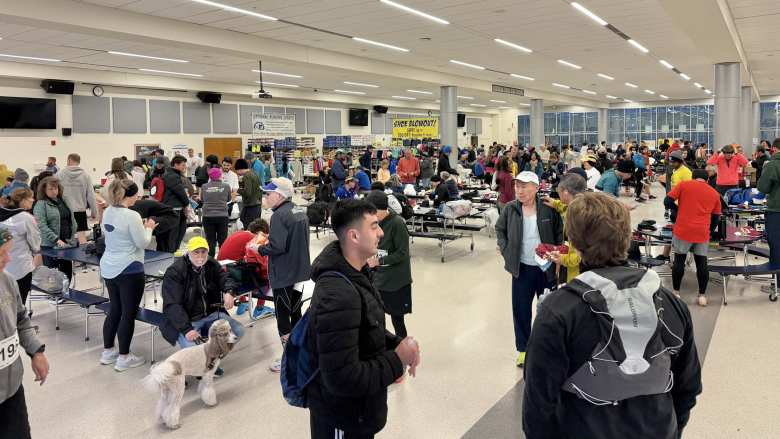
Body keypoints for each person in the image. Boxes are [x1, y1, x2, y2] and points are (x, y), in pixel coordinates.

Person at [522, 192, 702, 439]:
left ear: (573, 239)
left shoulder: (558, 310)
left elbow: (538, 404)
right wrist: (673, 428)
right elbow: (688, 386)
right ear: (626, 236)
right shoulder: (669, 302)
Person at [306, 199, 420, 439]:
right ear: (354, 236)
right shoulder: (337, 295)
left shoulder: (357, 273)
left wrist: (397, 343)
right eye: (374, 226)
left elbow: (367, 327)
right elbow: (342, 378)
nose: (380, 232)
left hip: (359, 412)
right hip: (341, 417)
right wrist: (396, 360)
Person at [495, 171, 563, 367]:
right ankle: (523, 349)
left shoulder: (549, 210)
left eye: (524, 186)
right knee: (521, 310)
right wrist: (506, 248)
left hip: (546, 268)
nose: (519, 190)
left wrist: (559, 257)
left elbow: (560, 233)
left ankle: (545, 347)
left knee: (548, 311)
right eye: (517, 186)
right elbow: (500, 229)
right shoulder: (510, 209)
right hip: (521, 268)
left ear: (536, 188)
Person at [99, 180, 156, 371]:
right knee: (128, 314)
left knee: (115, 309)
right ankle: (124, 357)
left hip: (108, 266)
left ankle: (108, 352)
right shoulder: (132, 215)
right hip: (129, 269)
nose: (138, 198)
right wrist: (148, 227)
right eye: (137, 195)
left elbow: (108, 235)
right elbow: (142, 243)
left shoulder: (107, 211)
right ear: (129, 195)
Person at [162, 237, 244, 366]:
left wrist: (229, 292)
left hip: (211, 314)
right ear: (188, 252)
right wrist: (187, 329)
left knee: (238, 330)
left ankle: (211, 361)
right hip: (188, 320)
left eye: (203, 252)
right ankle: (203, 364)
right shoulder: (175, 271)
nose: (200, 256)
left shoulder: (211, 264)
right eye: (196, 252)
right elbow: (172, 305)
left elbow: (225, 278)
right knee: (194, 352)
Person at [0, 226, 49, 439]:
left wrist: (35, 351)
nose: (8, 259)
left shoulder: (7, 281)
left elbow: (21, 319)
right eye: (1, 253)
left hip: (12, 389)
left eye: (8, 251)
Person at [257, 177, 311, 372]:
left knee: (283, 316)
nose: (266, 197)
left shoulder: (279, 215)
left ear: (279, 195)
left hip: (283, 274)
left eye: (268, 194)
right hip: (300, 271)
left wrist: (259, 248)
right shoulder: (299, 210)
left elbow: (277, 246)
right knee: (296, 312)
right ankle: (299, 353)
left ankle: (288, 359)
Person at [665, 169, 722, 307]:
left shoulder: (684, 185)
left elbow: (667, 201)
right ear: (707, 180)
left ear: (693, 177)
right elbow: (716, 217)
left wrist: (678, 210)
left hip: (683, 229)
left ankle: (676, 292)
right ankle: (702, 296)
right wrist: (709, 230)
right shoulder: (714, 193)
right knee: (702, 263)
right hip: (702, 231)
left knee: (679, 260)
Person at [366, 191, 412, 338]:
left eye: (372, 212)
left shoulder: (397, 223)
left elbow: (402, 253)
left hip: (396, 282)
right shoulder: (374, 224)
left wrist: (380, 261)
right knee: (378, 319)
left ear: (381, 209)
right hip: (379, 280)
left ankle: (403, 351)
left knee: (397, 320)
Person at [217, 218, 274, 319]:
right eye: (264, 235)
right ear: (260, 232)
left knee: (241, 269)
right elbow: (261, 262)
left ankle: (243, 303)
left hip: (220, 273)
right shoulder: (253, 238)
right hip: (233, 277)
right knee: (268, 274)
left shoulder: (238, 233)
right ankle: (259, 308)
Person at [541, 173, 586, 283]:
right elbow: (565, 208)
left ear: (565, 192)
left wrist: (560, 259)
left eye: (559, 191)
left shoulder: (578, 216)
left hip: (575, 273)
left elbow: (577, 256)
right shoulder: (579, 204)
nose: (558, 194)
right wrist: (555, 203)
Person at [0, 189, 41, 303]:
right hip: (21, 267)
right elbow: (35, 244)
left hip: (4, 267)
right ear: (22, 200)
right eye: (31, 198)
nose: (33, 200)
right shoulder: (26, 217)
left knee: (6, 303)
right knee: (20, 301)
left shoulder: (2, 214)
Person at [33, 177, 76, 281]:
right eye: (50, 189)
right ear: (44, 190)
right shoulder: (41, 204)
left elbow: (71, 218)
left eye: (56, 188)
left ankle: (65, 293)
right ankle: (54, 296)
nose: (54, 191)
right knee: (52, 275)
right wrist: (56, 239)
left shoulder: (63, 200)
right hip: (49, 244)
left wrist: (72, 234)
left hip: (66, 242)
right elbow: (42, 225)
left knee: (67, 272)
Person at [57, 153, 97, 245]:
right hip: (80, 211)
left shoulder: (59, 174)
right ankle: (81, 259)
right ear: (78, 162)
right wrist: (94, 212)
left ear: (68, 160)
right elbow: (91, 195)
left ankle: (66, 258)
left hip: (65, 211)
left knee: (65, 238)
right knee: (82, 238)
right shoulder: (85, 176)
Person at [758, 138, 780, 269]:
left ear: (775, 149)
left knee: (776, 245)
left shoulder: (773, 164)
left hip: (777, 210)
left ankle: (777, 283)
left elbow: (763, 187)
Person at [201, 167, 232, 258]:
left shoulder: (204, 186)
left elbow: (202, 199)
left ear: (210, 176)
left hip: (207, 215)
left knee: (210, 239)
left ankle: (210, 259)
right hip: (222, 215)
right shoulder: (226, 186)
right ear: (220, 175)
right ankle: (223, 259)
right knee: (222, 239)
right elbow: (229, 199)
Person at [163, 156, 190, 251]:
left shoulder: (171, 174)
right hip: (174, 209)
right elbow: (180, 192)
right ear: (176, 164)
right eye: (183, 165)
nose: (185, 167)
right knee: (174, 235)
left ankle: (174, 251)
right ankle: (172, 254)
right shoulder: (172, 176)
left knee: (178, 232)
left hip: (175, 208)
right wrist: (187, 203)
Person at [234, 158, 262, 231]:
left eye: (236, 171)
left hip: (250, 206)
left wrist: (238, 190)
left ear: (239, 169)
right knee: (255, 228)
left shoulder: (246, 176)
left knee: (249, 228)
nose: (237, 173)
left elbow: (247, 192)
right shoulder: (255, 173)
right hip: (257, 205)